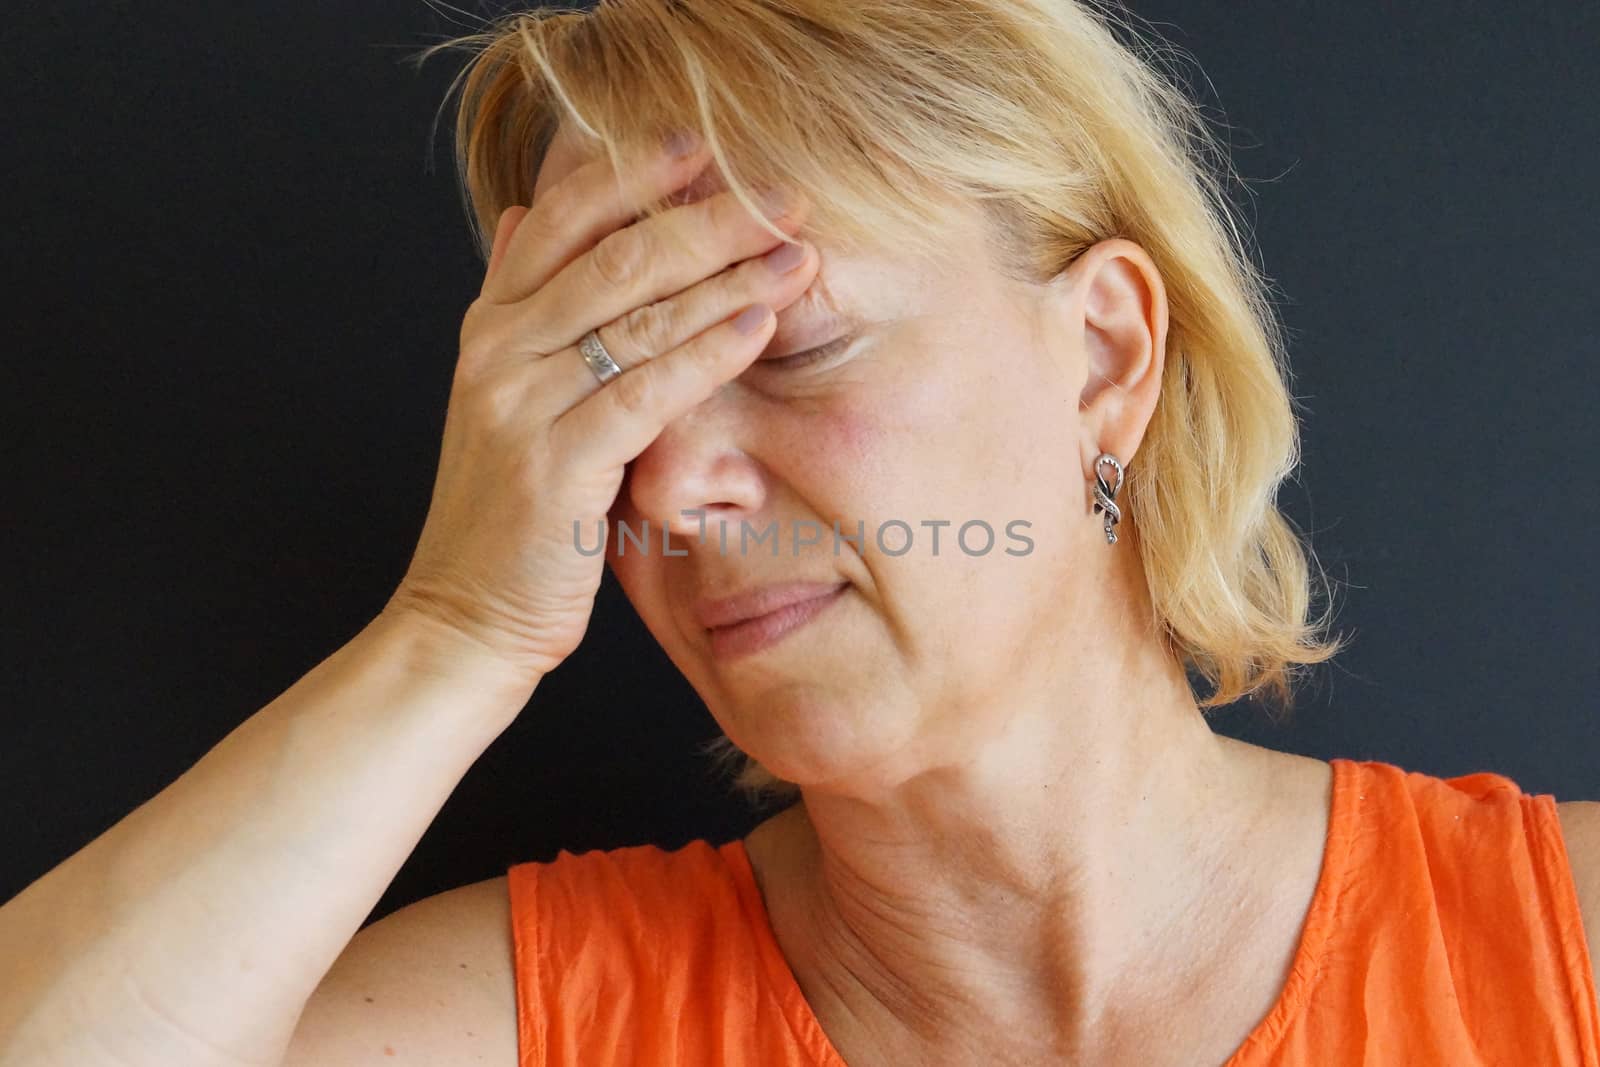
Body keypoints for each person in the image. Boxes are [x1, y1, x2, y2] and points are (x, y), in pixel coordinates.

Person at [4, 1, 1599, 1064]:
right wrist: (457, 632)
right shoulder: (549, 1018)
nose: (672, 493)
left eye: (789, 349)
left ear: (1106, 355)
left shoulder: (1559, 947)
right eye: (609, 396)